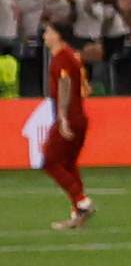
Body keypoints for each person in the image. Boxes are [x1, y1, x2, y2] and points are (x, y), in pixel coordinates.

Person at [27, 17, 86, 228]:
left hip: (69, 117)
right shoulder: (70, 55)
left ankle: (81, 200)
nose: (44, 36)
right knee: (68, 164)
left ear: (57, 35)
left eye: (48, 32)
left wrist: (62, 116)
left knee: (50, 161)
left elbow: (65, 83)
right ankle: (78, 213)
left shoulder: (61, 58)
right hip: (78, 116)